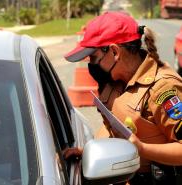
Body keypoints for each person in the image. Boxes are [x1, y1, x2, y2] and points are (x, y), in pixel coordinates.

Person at [64, 11, 182, 185]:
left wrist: (143, 149)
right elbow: (111, 128)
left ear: (114, 51)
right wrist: (91, 151)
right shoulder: (114, 81)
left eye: (94, 58)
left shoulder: (163, 87)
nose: (91, 65)